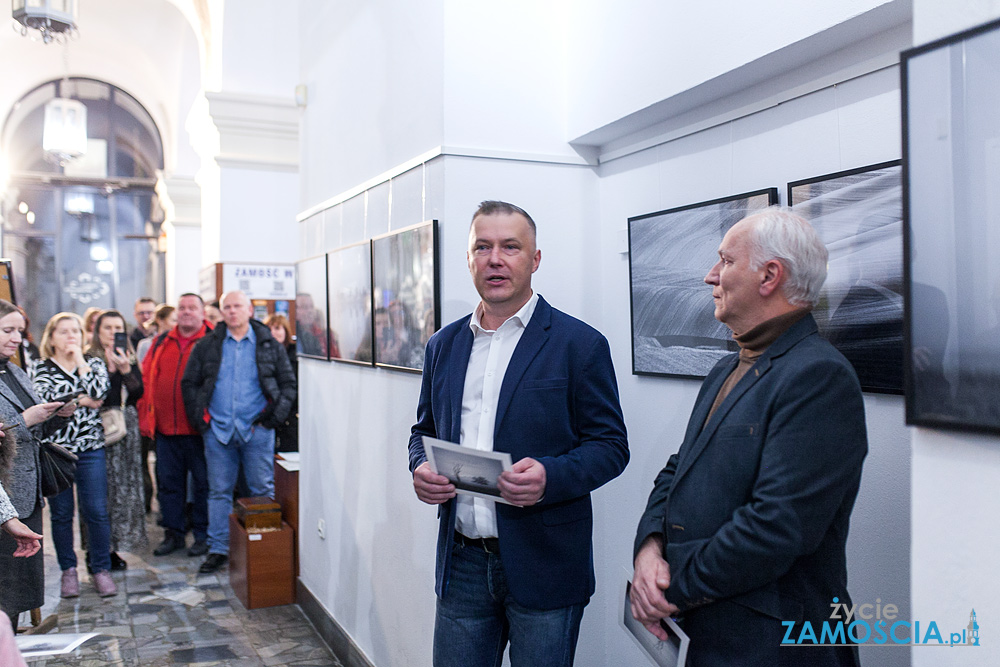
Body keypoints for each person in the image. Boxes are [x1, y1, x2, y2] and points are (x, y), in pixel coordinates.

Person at [630, 208, 868, 667]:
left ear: (769, 275)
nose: (709, 276)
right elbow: (680, 468)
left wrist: (669, 587)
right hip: (709, 631)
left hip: (773, 645)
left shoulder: (819, 376)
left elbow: (777, 527)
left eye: (725, 261)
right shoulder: (725, 368)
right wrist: (649, 547)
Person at [408, 201, 629, 667]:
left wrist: (551, 476)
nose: (495, 259)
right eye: (482, 247)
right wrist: (420, 466)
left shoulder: (579, 344)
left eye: (510, 247)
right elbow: (423, 430)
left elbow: (611, 447)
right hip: (462, 562)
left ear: (535, 259)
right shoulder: (442, 346)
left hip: (546, 562)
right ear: (468, 259)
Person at [182, 291, 296, 574]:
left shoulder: (268, 344)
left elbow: (287, 384)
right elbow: (189, 384)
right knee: (218, 492)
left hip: (257, 429)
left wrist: (271, 420)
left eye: (237, 306)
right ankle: (218, 548)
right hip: (218, 432)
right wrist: (202, 421)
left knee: (262, 489)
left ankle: (263, 546)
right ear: (221, 312)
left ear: (249, 310)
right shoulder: (207, 345)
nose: (232, 312)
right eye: (227, 307)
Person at [32, 312, 116, 598]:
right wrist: (83, 399)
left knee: (96, 511)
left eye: (76, 331)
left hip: (91, 448)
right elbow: (48, 401)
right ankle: (68, 570)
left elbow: (100, 391)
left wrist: (81, 364)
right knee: (61, 513)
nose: (71, 336)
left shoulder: (93, 363)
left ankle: (101, 569)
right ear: (51, 338)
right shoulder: (40, 367)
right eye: (64, 331)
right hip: (57, 450)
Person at [0, 300, 68, 629]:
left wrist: (54, 415)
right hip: (6, 484)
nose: (17, 338)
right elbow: (14, 426)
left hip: (27, 483)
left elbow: (35, 429)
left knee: (21, 573)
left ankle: (12, 639)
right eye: (7, 330)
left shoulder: (14, 370)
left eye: (19, 331)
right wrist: (26, 418)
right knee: (6, 574)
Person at [143, 294, 211, 557]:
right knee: (169, 485)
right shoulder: (162, 341)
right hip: (165, 431)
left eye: (192, 308)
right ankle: (174, 534)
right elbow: (149, 379)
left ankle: (203, 536)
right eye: (182, 308)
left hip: (199, 431)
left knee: (204, 486)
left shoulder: (211, 341)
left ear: (202, 312)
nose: (186, 312)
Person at [87, 310, 148, 566]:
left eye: (118, 327)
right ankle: (98, 549)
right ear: (97, 332)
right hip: (97, 430)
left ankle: (117, 545)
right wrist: (111, 370)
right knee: (101, 492)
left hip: (126, 430)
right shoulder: (88, 359)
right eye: (107, 328)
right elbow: (101, 398)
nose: (113, 333)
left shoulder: (129, 356)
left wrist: (125, 369)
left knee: (124, 489)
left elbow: (138, 393)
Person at [264, 313, 298, 453]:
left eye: (277, 328)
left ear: (286, 330)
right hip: (268, 416)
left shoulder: (295, 356)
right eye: (269, 329)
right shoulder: (262, 356)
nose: (273, 333)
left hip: (290, 416)